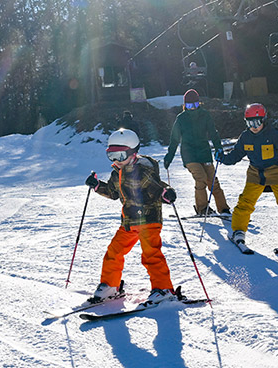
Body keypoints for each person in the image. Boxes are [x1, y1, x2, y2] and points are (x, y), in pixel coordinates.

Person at [85, 128, 178, 305]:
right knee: (114, 252)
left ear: (133, 152)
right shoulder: (117, 173)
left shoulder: (142, 170)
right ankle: (111, 286)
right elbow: (113, 193)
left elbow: (156, 187)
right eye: (111, 156)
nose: (116, 161)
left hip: (148, 220)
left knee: (151, 255)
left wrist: (165, 194)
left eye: (120, 155)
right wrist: (97, 186)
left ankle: (164, 289)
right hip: (129, 222)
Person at [216, 103, 278, 248]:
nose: (254, 126)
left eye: (257, 122)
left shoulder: (273, 134)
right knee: (245, 202)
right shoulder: (246, 137)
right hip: (255, 172)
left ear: (264, 120)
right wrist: (222, 158)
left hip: (275, 170)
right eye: (250, 123)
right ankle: (238, 231)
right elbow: (235, 156)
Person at [163, 89, 230, 216]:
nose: (192, 108)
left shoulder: (205, 115)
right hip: (189, 155)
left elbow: (213, 133)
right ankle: (202, 208)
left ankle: (224, 209)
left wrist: (219, 148)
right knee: (201, 178)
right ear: (185, 106)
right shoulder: (181, 118)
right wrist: (169, 157)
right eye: (189, 106)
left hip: (204, 152)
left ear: (199, 104)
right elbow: (174, 139)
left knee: (213, 181)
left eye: (195, 105)